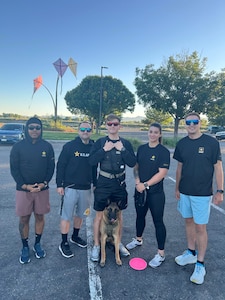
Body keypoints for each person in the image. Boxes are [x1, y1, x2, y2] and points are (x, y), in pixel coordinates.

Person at [173, 112, 224, 285]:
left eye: (194, 122)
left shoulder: (211, 143)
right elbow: (179, 168)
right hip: (185, 192)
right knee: (188, 222)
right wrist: (177, 187)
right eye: (188, 122)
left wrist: (220, 191)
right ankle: (191, 253)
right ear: (185, 124)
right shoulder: (182, 144)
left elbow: (218, 167)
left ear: (200, 123)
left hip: (202, 194)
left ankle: (200, 264)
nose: (191, 124)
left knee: (200, 227)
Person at [89, 113, 136, 262]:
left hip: (119, 184)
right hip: (103, 182)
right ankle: (97, 245)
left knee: (119, 215)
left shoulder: (126, 143)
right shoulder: (100, 142)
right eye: (109, 124)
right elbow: (91, 161)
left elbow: (132, 162)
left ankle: (117, 242)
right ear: (106, 126)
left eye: (115, 124)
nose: (112, 127)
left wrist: (122, 150)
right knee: (99, 215)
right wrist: (104, 149)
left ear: (119, 126)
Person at [10, 117, 55, 264]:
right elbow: (14, 170)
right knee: (24, 218)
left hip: (42, 189)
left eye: (37, 127)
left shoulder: (47, 146)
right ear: (26, 129)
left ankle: (37, 243)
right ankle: (24, 246)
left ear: (41, 129)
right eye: (31, 127)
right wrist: (25, 186)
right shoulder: (17, 147)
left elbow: (51, 168)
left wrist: (44, 183)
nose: (34, 130)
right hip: (24, 190)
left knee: (40, 217)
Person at [126, 123, 170, 268]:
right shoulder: (142, 149)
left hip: (155, 194)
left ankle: (161, 254)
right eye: (150, 132)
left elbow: (162, 173)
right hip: (140, 191)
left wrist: (145, 185)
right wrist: (138, 182)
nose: (152, 134)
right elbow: (136, 167)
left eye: (155, 132)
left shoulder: (163, 151)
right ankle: (138, 239)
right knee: (139, 217)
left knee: (158, 221)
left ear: (160, 134)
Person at [56, 121, 97, 258]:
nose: (85, 131)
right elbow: (61, 165)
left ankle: (75, 236)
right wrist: (59, 185)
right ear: (78, 131)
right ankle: (64, 242)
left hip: (86, 188)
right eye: (83, 129)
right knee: (66, 216)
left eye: (88, 129)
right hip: (70, 187)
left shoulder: (93, 146)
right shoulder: (70, 146)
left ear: (91, 131)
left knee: (81, 215)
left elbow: (94, 167)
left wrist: (95, 183)